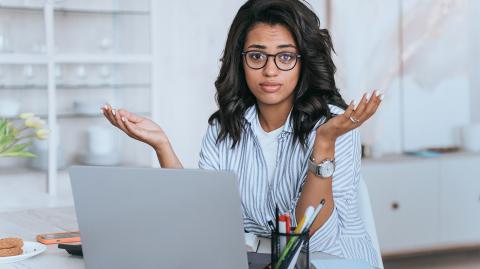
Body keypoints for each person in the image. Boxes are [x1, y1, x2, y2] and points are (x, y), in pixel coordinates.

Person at [101, 0, 383, 267]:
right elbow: (204, 218)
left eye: (285, 56)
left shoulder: (336, 126)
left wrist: (324, 142)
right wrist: (162, 145)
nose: (270, 70)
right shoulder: (223, 128)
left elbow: (308, 235)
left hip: (332, 261)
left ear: (303, 61)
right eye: (257, 56)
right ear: (240, 61)